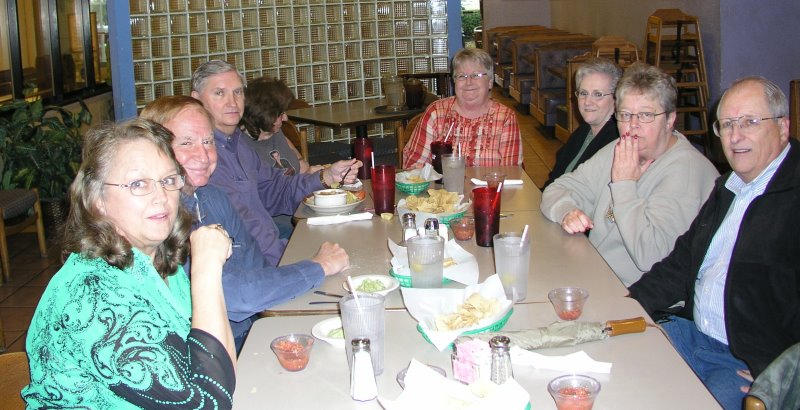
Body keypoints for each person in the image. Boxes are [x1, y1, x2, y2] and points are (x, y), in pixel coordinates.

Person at [23, 120, 236, 408]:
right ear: (97, 200)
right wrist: (207, 270)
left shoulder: (157, 262)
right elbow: (207, 403)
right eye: (138, 184)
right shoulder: (91, 294)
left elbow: (222, 369)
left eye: (168, 180)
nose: (161, 197)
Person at [629, 76, 800, 409]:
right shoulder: (729, 186)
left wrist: (784, 372)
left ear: (783, 126)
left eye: (749, 122)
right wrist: (627, 304)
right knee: (612, 372)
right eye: (726, 125)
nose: (735, 137)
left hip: (743, 365)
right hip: (690, 333)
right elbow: (680, 265)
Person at [141, 96, 350, 352]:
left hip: (250, 328)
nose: (204, 155)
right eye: (186, 143)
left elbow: (255, 266)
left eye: (208, 141)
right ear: (154, 149)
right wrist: (317, 267)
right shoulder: (158, 218)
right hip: (206, 352)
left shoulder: (211, 197)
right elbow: (236, 294)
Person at [540, 62, 719, 286]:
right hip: (591, 273)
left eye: (645, 115)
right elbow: (556, 189)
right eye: (625, 115)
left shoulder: (686, 172)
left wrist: (624, 184)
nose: (632, 126)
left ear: (670, 119)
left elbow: (651, 256)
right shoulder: (620, 148)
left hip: (638, 300)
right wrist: (567, 211)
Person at [190, 60, 360, 266]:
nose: (232, 102)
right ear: (197, 100)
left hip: (275, 254)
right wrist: (294, 262)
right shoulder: (202, 159)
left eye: (237, 92)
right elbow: (246, 230)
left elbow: (274, 188)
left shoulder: (238, 144)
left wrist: (327, 177)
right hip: (256, 268)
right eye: (219, 93)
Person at [402, 48, 522, 169]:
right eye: (461, 76)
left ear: (490, 82)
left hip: (489, 188)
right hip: (441, 188)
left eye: (476, 75)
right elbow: (413, 167)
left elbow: (512, 173)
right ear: (454, 82)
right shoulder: (436, 113)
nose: (468, 82)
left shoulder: (505, 117)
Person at [543, 58, 622, 188]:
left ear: (616, 99)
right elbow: (554, 180)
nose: (587, 102)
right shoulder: (582, 132)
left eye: (598, 94)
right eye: (583, 93)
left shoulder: (615, 141)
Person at [242, 76, 324, 175]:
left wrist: (311, 174)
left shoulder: (274, 132)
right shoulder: (241, 147)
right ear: (263, 116)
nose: (285, 118)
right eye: (281, 114)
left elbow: (302, 166)